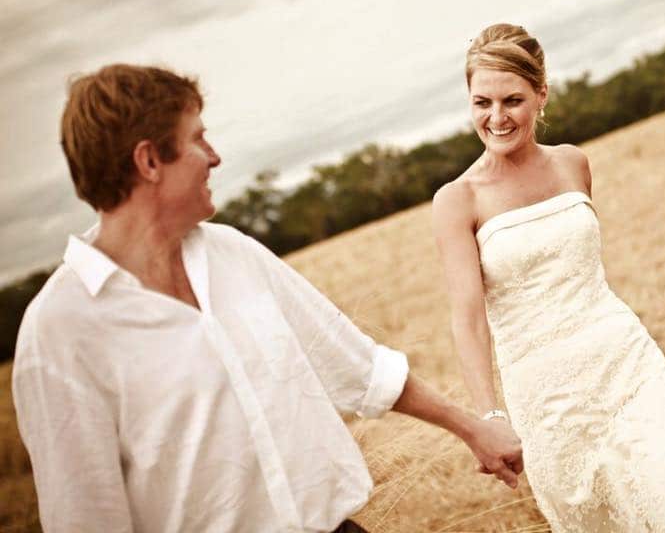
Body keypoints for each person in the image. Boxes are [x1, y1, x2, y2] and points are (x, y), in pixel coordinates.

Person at [12, 64, 523, 533]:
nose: (214, 157)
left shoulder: (231, 252)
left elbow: (359, 366)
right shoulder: (60, 332)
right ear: (149, 160)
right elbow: (85, 519)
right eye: (197, 139)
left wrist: (473, 428)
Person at [432, 24, 665, 532]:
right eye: (482, 102)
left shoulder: (573, 163)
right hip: (546, 399)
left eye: (512, 100)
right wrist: (490, 417)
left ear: (542, 94)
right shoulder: (458, 200)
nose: (496, 117)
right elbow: (468, 319)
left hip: (627, 365)